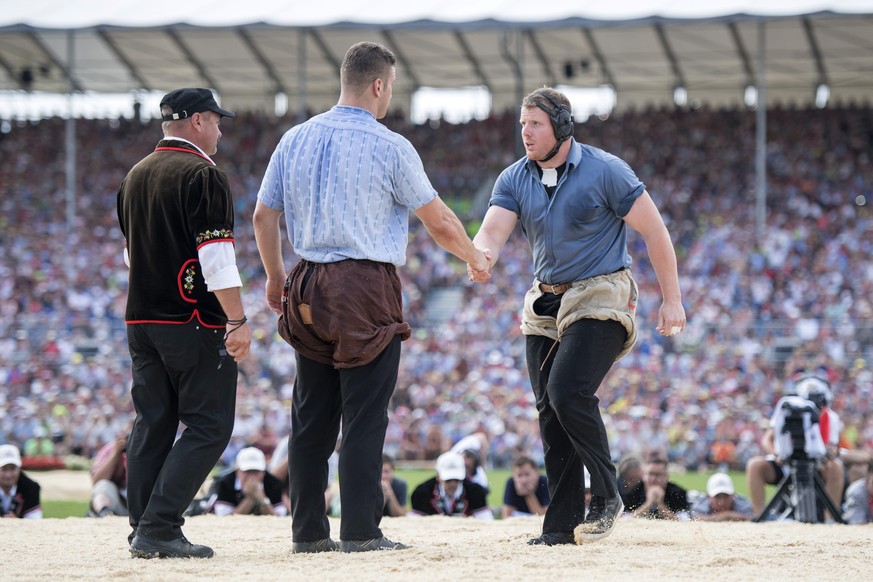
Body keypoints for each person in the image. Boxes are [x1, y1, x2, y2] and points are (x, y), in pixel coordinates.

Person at [252, 41, 489, 554]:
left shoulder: (294, 139)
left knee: (311, 418)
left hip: (307, 281)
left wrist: (275, 279)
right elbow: (440, 222)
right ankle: (361, 530)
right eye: (392, 88)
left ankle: (309, 533)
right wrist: (474, 256)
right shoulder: (390, 145)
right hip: (365, 287)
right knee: (363, 415)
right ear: (380, 84)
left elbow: (263, 217)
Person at [470, 86, 685, 544]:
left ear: (562, 127)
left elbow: (654, 230)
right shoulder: (513, 177)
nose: (525, 133)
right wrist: (481, 256)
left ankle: (608, 496)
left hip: (601, 292)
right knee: (549, 411)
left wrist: (672, 299)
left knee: (567, 391)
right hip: (546, 300)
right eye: (522, 124)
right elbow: (492, 231)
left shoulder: (606, 171)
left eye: (536, 124)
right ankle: (561, 526)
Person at [117, 87, 252, 559]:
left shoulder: (134, 176)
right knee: (209, 424)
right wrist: (237, 320)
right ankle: (160, 524)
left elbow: (131, 255)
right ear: (196, 120)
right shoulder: (203, 174)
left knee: (152, 420)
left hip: (142, 318)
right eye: (216, 120)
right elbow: (216, 259)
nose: (219, 129)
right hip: (192, 317)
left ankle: (141, 525)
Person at [745, 375, 844, 520]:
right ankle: (760, 516)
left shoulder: (831, 418)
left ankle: (830, 520)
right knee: (754, 465)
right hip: (785, 462)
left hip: (817, 465)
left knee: (836, 467)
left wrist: (827, 454)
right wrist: (776, 454)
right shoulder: (787, 410)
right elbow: (768, 438)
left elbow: (833, 447)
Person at [409, 451, 493, 519]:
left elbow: (486, 521)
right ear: (438, 476)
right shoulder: (421, 492)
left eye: (457, 479)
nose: (453, 483)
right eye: (448, 480)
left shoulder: (476, 491)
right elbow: (415, 524)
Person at [212, 447, 287, 516]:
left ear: (264, 471)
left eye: (256, 471)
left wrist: (261, 497)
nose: (252, 476)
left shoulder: (273, 483)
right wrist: (251, 497)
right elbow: (225, 517)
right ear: (238, 470)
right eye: (247, 471)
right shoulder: (226, 483)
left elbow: (277, 516)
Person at [624, 458, 690, 520]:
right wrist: (648, 504)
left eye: (658, 475)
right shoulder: (635, 491)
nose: (653, 479)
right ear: (644, 475)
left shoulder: (677, 493)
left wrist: (660, 505)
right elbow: (624, 520)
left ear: (666, 476)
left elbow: (684, 521)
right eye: (650, 474)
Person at [89, 432, 129, 517]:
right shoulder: (110, 448)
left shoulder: (152, 448)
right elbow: (96, 480)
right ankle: (104, 512)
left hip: (143, 507)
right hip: (119, 502)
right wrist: (116, 454)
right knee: (103, 485)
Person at [0, 444, 42, 519]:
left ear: (19, 469)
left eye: (13, 469)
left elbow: (35, 519)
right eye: (4, 469)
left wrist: (17, 521)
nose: (8, 475)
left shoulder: (31, 488)